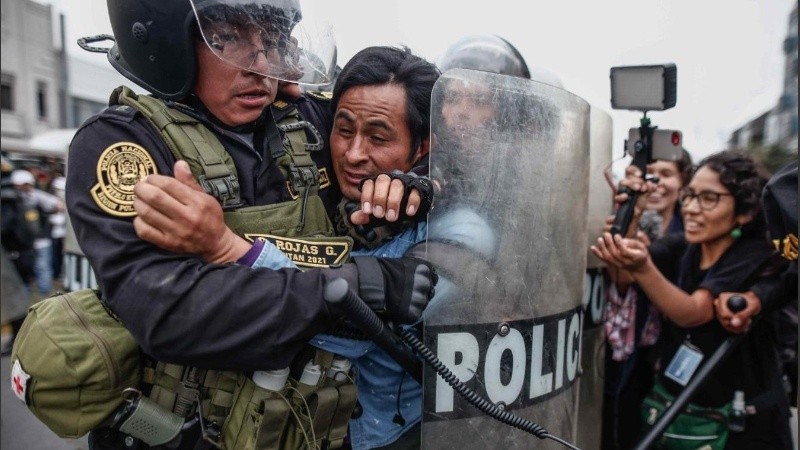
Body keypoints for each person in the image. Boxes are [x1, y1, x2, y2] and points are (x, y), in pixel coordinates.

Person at [66, 1, 436, 448]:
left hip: (310, 427)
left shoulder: (310, 122)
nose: (261, 66)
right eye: (231, 39)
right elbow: (171, 313)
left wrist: (418, 186)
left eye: (273, 40)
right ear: (167, 41)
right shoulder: (125, 146)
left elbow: (413, 140)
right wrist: (350, 288)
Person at [591, 151, 792, 449]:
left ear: (745, 211)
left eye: (709, 198)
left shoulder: (755, 253)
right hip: (682, 415)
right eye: (690, 196)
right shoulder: (685, 245)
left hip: (743, 427)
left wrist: (642, 266)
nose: (692, 209)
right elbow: (623, 277)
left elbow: (693, 312)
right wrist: (631, 215)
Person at [601, 149, 693, 450]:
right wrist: (629, 217)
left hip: (678, 355)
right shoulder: (627, 220)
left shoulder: (694, 231)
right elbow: (622, 279)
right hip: (633, 355)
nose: (655, 184)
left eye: (666, 174)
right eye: (648, 175)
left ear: (683, 183)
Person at [11, 169, 63, 299]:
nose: (25, 187)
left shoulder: (36, 196)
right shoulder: (11, 197)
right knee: (23, 270)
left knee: (42, 267)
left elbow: (59, 205)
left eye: (27, 184)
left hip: (40, 241)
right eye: (22, 185)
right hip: (21, 243)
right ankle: (23, 294)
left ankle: (44, 297)